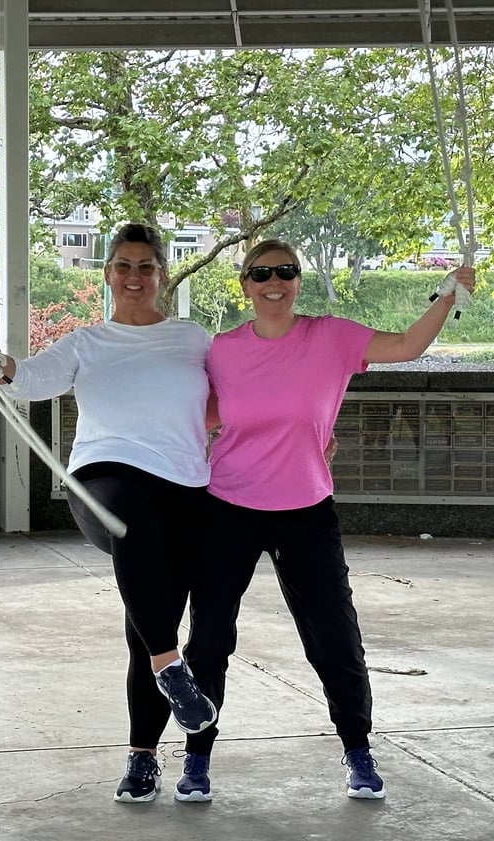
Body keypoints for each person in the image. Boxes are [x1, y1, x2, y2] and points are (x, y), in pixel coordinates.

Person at [179, 238, 476, 802]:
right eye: (261, 273)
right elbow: (198, 412)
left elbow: (409, 345)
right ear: (244, 284)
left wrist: (447, 294)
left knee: (335, 639)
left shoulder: (332, 337)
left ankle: (358, 751)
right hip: (227, 509)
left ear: (298, 280)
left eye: (286, 272)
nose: (275, 281)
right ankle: (196, 758)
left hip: (305, 511)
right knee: (210, 639)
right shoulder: (221, 350)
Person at [0, 222, 217, 804]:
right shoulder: (87, 343)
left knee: (146, 629)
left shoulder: (192, 340)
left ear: (162, 276)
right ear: (107, 275)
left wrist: (308, 433)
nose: (134, 276)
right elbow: (24, 379)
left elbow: (240, 397)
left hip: (183, 488)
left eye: (146, 266)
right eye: (123, 266)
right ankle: (172, 670)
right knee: (128, 517)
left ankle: (142, 756)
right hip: (103, 480)